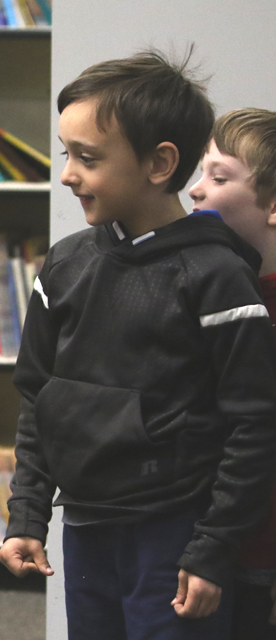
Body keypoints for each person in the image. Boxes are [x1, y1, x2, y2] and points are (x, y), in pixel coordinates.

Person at [0, 49, 276, 639]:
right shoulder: (66, 265)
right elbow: (38, 398)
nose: (68, 173)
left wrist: (212, 548)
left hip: (175, 537)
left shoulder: (218, 277)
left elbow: (254, 424)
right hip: (89, 529)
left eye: (88, 158)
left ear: (159, 163)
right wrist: (27, 513)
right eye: (67, 152)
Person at [188, 108, 276, 640]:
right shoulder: (231, 289)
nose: (196, 191)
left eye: (219, 177)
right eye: (200, 173)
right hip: (230, 538)